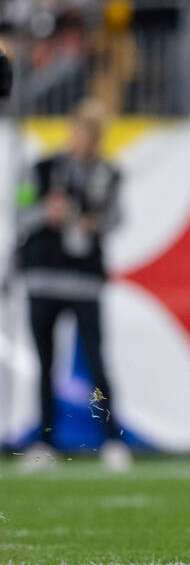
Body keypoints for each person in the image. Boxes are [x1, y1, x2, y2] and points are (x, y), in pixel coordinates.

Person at [16, 100, 130, 471]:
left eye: (88, 136)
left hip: (84, 281)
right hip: (43, 276)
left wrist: (91, 223)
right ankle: (44, 440)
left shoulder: (108, 174)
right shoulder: (43, 168)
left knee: (97, 361)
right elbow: (19, 209)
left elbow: (115, 219)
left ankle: (113, 440)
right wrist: (43, 213)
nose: (80, 141)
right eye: (77, 132)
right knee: (45, 363)